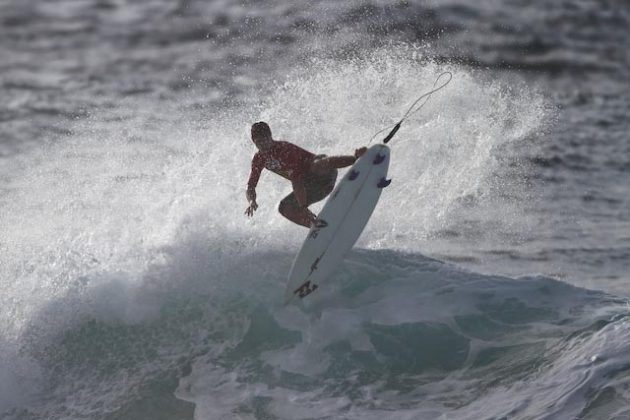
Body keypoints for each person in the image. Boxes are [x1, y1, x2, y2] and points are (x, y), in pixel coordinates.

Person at [245, 121, 367, 228]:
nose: (262, 144)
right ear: (254, 142)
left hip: (325, 176)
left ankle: (355, 158)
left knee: (316, 164)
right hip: (312, 189)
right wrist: (251, 201)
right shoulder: (259, 159)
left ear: (270, 137)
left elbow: (296, 181)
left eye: (265, 140)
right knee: (284, 208)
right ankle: (318, 227)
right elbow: (251, 186)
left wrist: (303, 207)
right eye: (258, 142)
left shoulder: (284, 149)